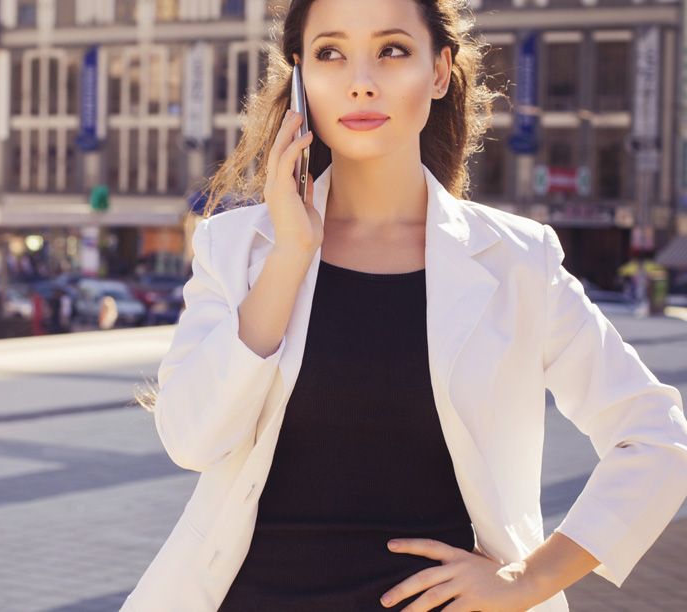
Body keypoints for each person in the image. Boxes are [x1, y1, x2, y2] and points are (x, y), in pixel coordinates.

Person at [124, 2, 687, 612]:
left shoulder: (515, 260)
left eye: (392, 50)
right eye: (330, 53)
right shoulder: (236, 248)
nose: (361, 80)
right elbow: (191, 441)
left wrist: (531, 579)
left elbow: (654, 437)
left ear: (440, 71)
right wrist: (291, 254)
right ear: (299, 79)